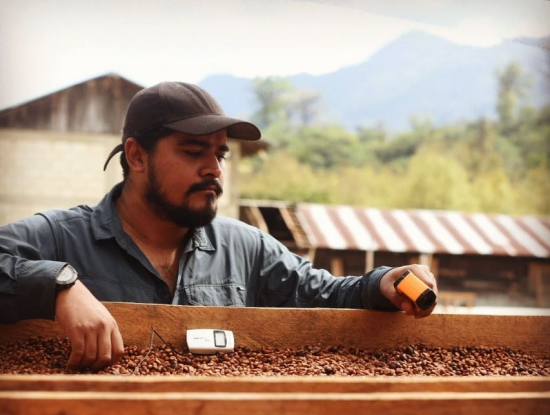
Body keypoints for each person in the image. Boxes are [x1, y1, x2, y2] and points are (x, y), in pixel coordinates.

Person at [0, 82, 438, 369]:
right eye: (193, 152)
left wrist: (385, 282)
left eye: (220, 155)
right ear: (136, 156)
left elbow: (321, 293)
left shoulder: (245, 248)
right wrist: (60, 284)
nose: (214, 169)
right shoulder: (60, 237)